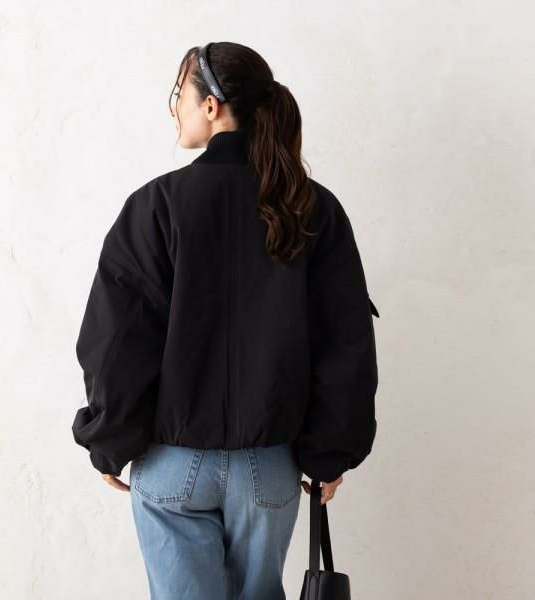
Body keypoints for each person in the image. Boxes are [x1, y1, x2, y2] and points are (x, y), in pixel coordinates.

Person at [72, 41, 379, 600]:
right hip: (271, 467)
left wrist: (109, 439)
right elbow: (345, 342)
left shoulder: (156, 206)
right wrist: (329, 452)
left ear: (210, 106)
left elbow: (118, 342)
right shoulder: (311, 207)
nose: (174, 109)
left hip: (172, 462)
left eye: (179, 95)